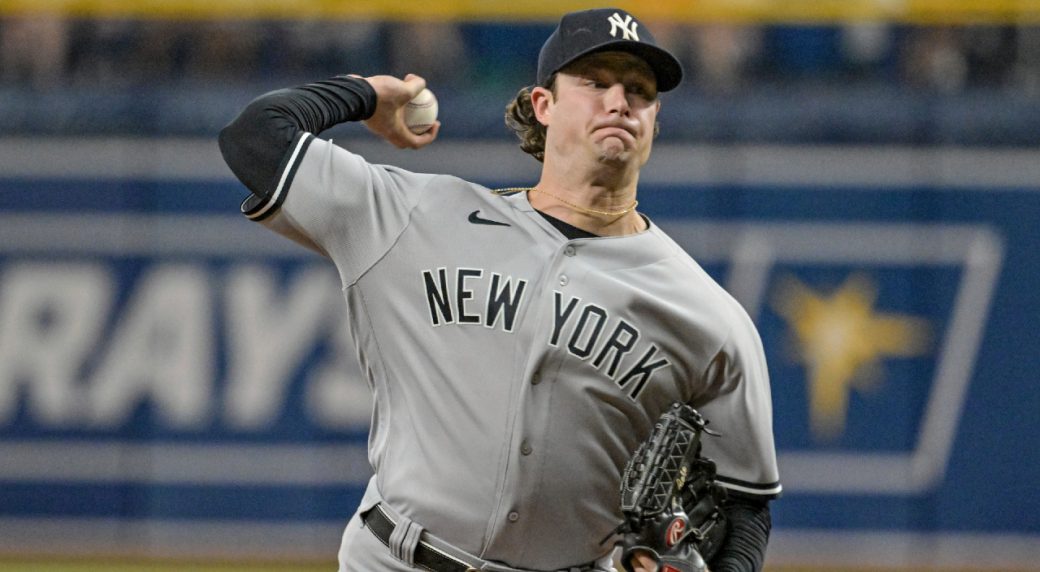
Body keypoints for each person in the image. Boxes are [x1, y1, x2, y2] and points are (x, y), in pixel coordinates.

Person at [219, 8, 781, 572]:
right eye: (595, 82)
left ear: (655, 120)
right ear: (544, 104)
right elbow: (255, 138)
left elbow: (745, 507)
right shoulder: (417, 216)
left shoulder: (709, 316)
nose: (619, 101)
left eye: (639, 90)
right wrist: (365, 93)